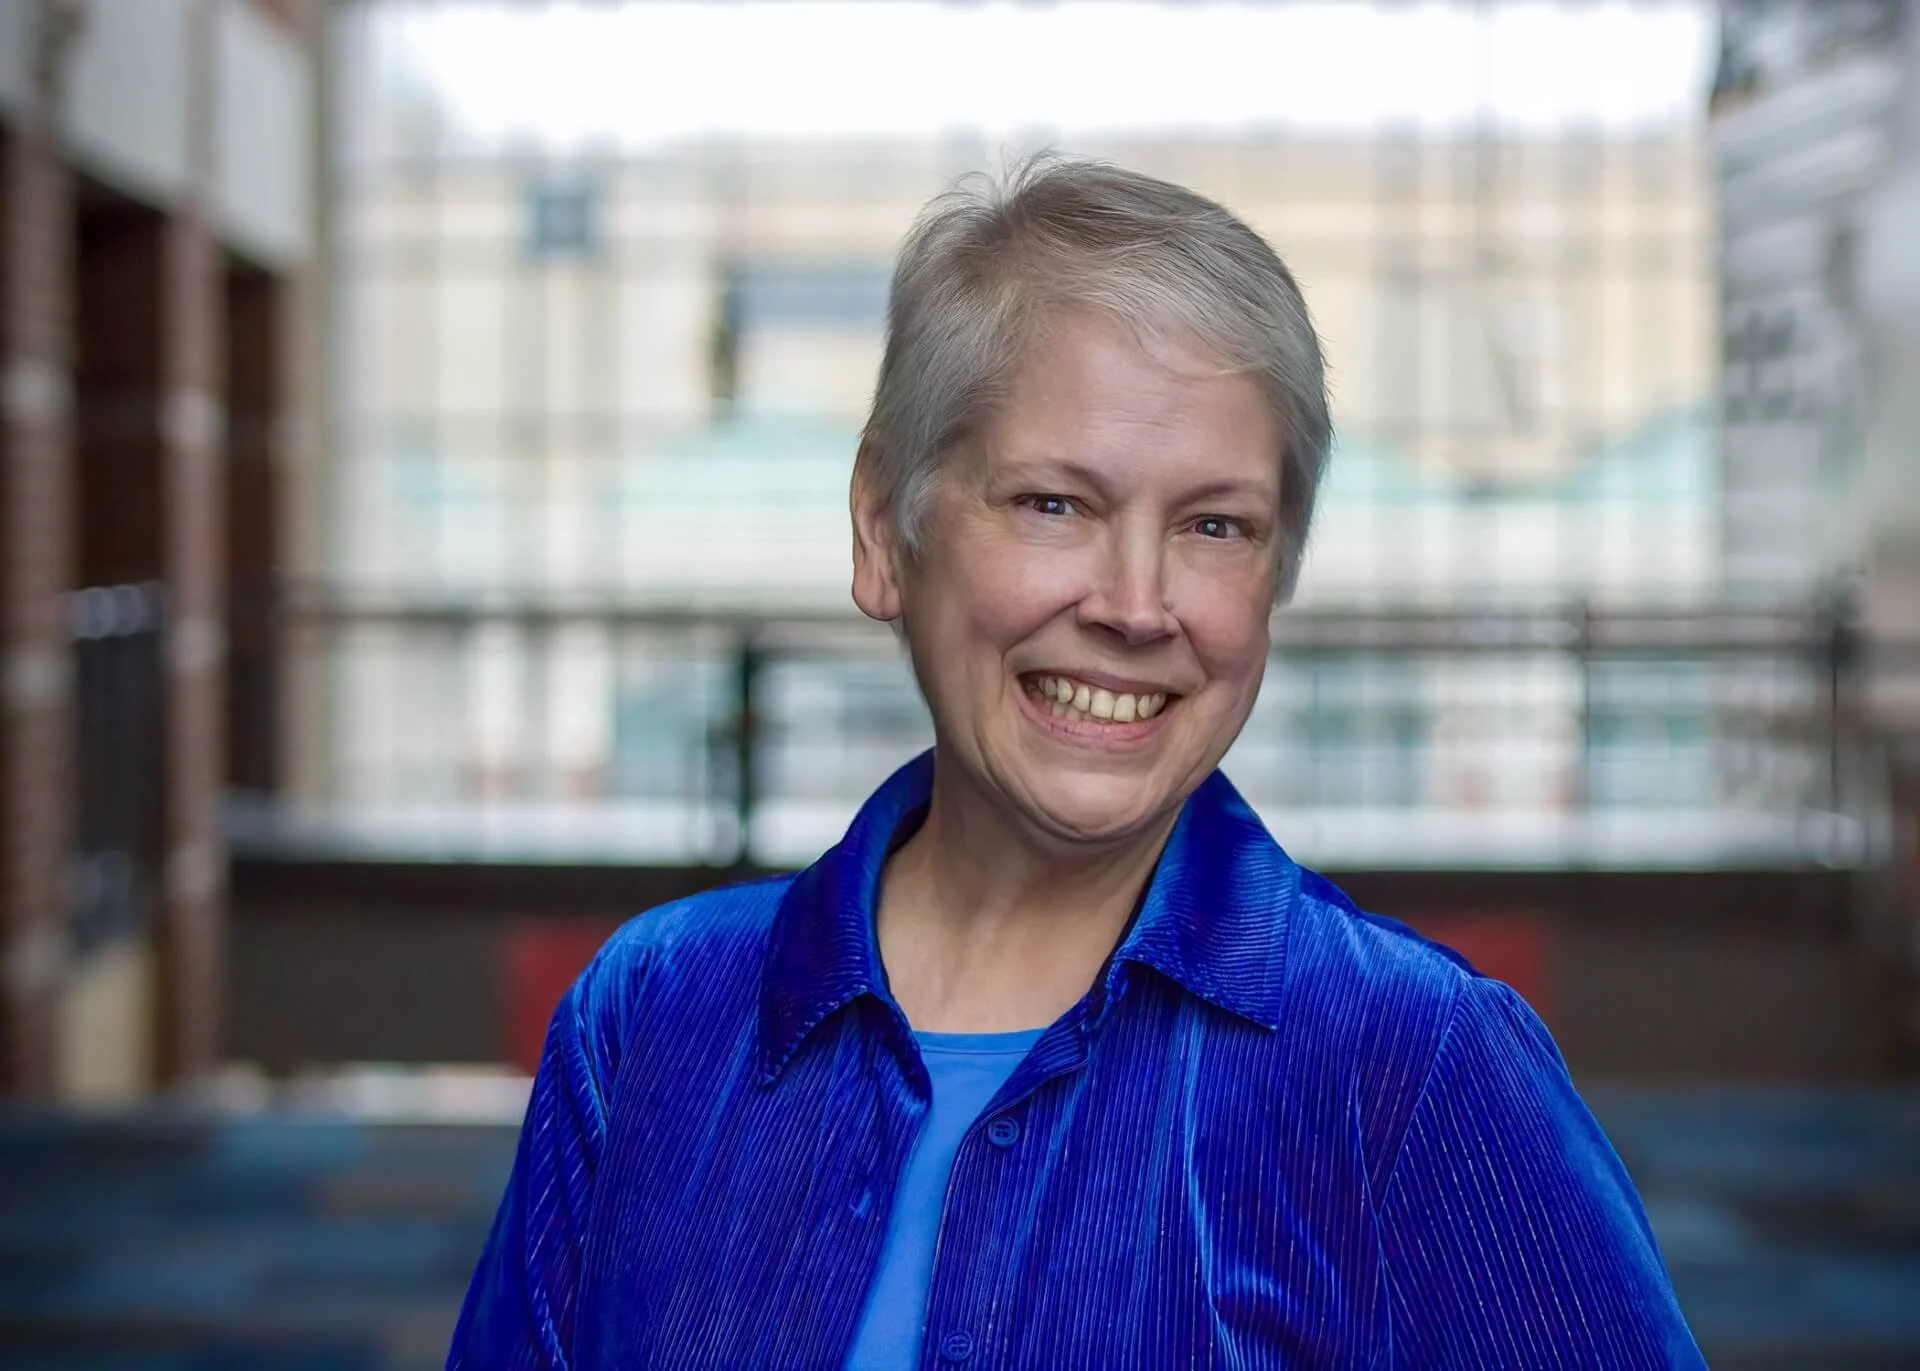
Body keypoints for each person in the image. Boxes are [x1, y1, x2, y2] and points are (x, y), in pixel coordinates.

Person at [448, 156, 1705, 1370]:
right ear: (885, 530)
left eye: (1216, 526)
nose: (1137, 603)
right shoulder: (654, 1017)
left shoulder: (1417, 1067)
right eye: (1057, 504)